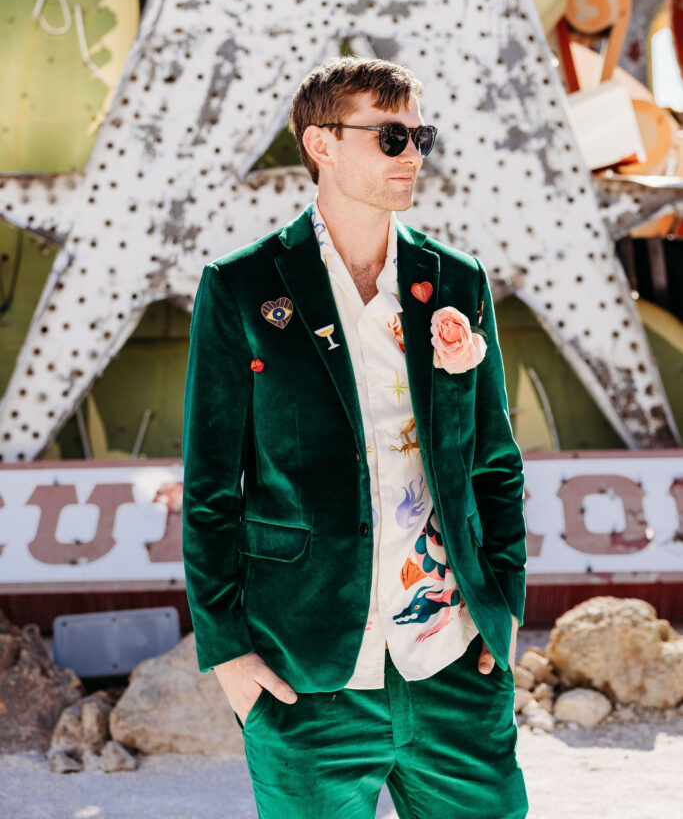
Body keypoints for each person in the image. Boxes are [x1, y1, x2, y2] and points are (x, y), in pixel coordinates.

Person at [182, 56, 529, 818]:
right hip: (303, 671)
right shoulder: (242, 287)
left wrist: (499, 614)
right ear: (322, 145)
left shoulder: (458, 281)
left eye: (418, 135)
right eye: (390, 136)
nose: (411, 155)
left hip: (450, 666)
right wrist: (227, 655)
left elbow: (494, 464)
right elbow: (209, 487)